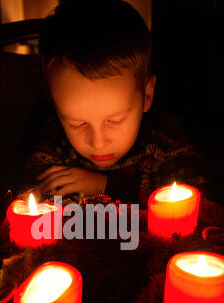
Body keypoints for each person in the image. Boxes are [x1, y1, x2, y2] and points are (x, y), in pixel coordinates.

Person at [20, 0, 206, 206]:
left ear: (147, 96)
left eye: (115, 120)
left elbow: (194, 200)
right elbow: (37, 203)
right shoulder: (52, 147)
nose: (98, 143)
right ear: (53, 103)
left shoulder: (167, 141)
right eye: (77, 124)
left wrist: (106, 186)